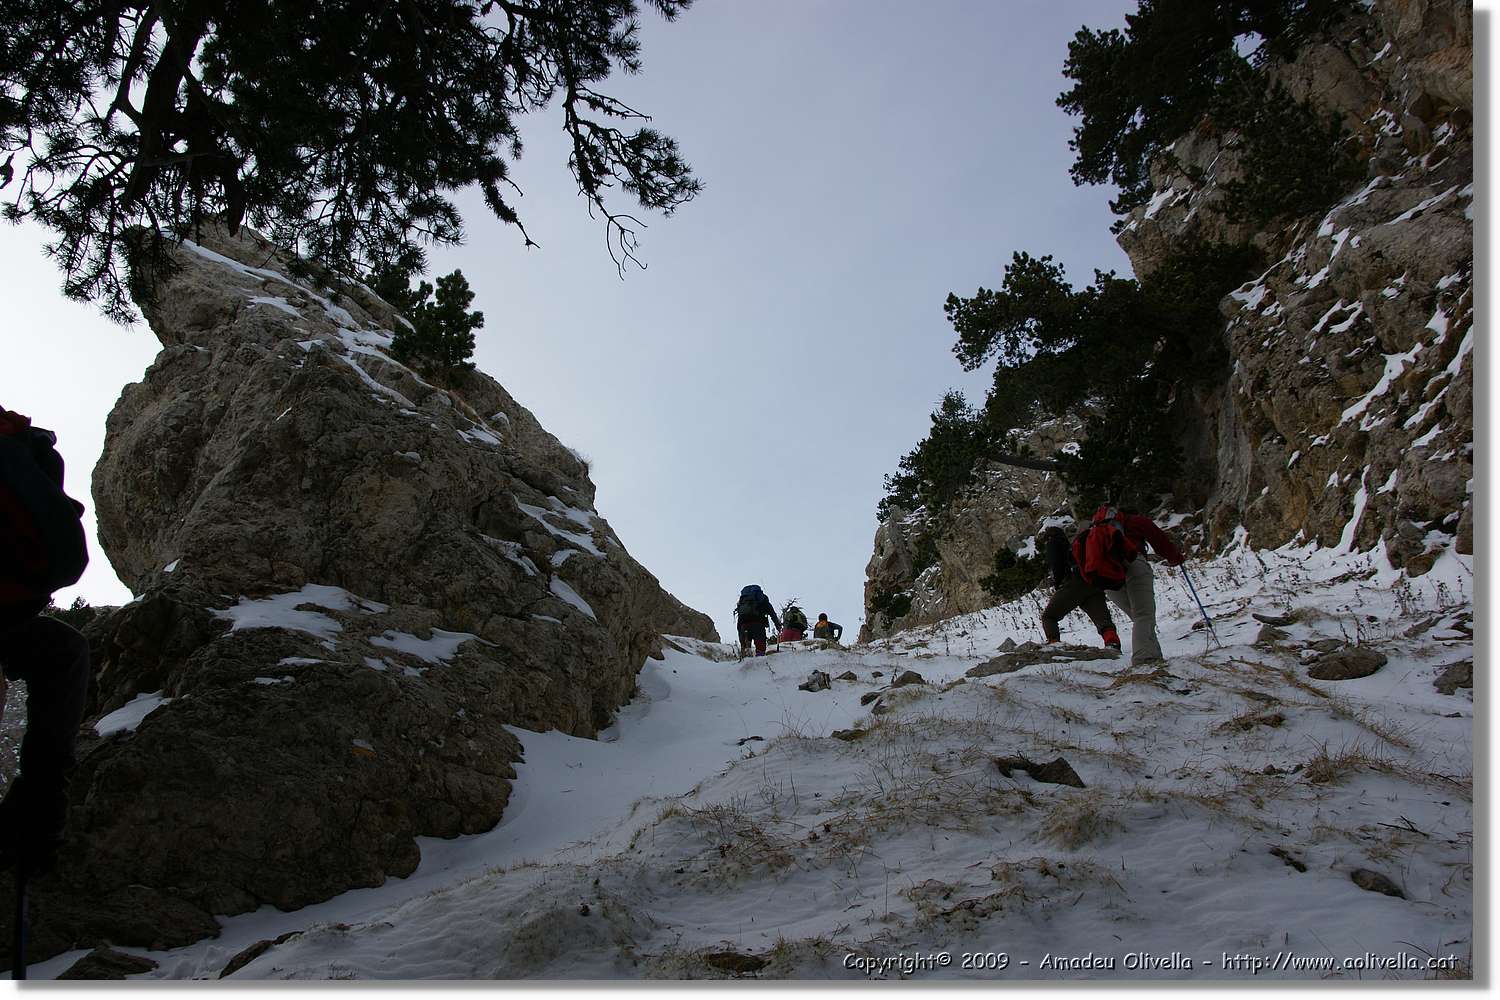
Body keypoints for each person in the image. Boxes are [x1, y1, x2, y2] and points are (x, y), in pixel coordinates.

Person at [0, 407, 91, 873]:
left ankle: (36, 806)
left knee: (63, 651)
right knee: (63, 652)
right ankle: (38, 807)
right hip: (13, 612)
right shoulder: (17, 446)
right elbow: (61, 558)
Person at [1072, 506, 1184, 666]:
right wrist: (1175, 558)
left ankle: (1154, 657)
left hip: (1108, 575)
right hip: (1133, 563)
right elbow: (1159, 540)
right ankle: (1145, 661)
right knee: (1143, 616)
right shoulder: (1135, 521)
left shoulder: (1095, 529)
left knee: (1139, 617)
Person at [1037, 526, 1120, 651]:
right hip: (1093, 582)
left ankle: (1054, 645)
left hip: (1073, 583)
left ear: (1048, 537)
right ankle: (1112, 643)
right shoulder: (1074, 546)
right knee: (1103, 619)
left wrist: (1058, 583)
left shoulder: (1053, 542)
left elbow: (1056, 564)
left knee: (1049, 616)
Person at [734, 585, 781, 657]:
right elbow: (772, 613)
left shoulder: (742, 601)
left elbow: (740, 617)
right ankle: (760, 664)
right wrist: (778, 626)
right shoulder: (763, 599)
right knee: (760, 649)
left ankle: (745, 664)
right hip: (758, 625)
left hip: (744, 625)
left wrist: (740, 631)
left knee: (746, 648)